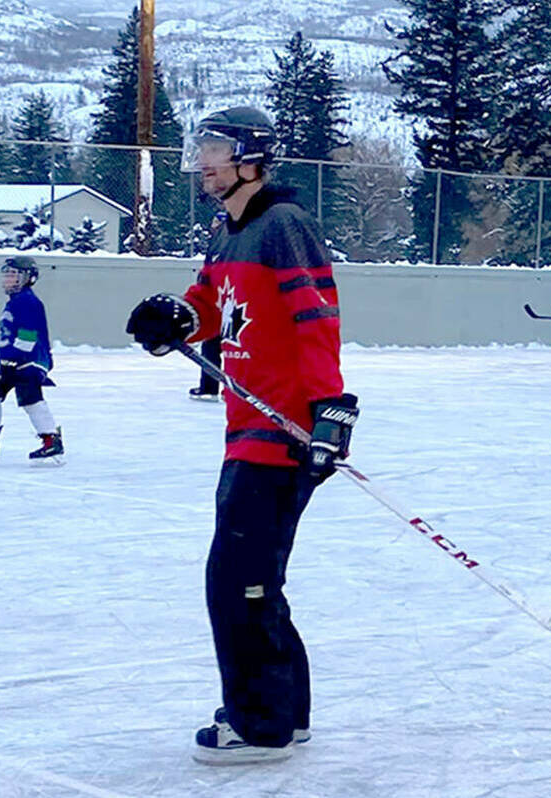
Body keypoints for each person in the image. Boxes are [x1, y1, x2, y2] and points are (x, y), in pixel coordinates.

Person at [124, 106, 356, 765]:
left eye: (215, 148)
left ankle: (260, 725)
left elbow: (316, 317)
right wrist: (176, 317)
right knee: (253, 576)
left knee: (237, 578)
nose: (203, 160)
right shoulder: (226, 230)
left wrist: (329, 410)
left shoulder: (284, 225)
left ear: (250, 157)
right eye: (202, 147)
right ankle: (284, 710)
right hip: (244, 426)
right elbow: (209, 307)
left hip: (282, 430)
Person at [0, 256, 63, 465]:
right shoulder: (15, 301)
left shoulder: (28, 301)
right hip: (11, 361)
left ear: (28, 278)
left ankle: (51, 440)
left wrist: (16, 360)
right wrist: (6, 361)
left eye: (13, 276)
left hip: (30, 360)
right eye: (6, 276)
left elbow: (28, 334)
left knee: (29, 397)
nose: (8, 280)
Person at [189, 210, 228, 402]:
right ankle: (213, 387)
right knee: (218, 346)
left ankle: (212, 387)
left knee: (219, 346)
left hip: (222, 302)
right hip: (222, 301)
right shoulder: (229, 242)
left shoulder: (223, 243)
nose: (212, 226)